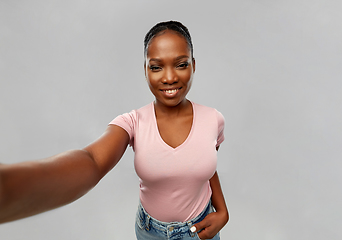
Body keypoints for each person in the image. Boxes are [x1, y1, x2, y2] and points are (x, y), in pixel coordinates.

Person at [0, 20, 229, 240]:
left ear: (194, 65)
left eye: (181, 64)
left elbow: (206, 166)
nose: (169, 77)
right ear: (146, 70)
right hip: (150, 231)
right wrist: (9, 189)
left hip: (199, 230)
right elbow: (93, 160)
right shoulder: (132, 122)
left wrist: (222, 211)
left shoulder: (213, 119)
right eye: (157, 67)